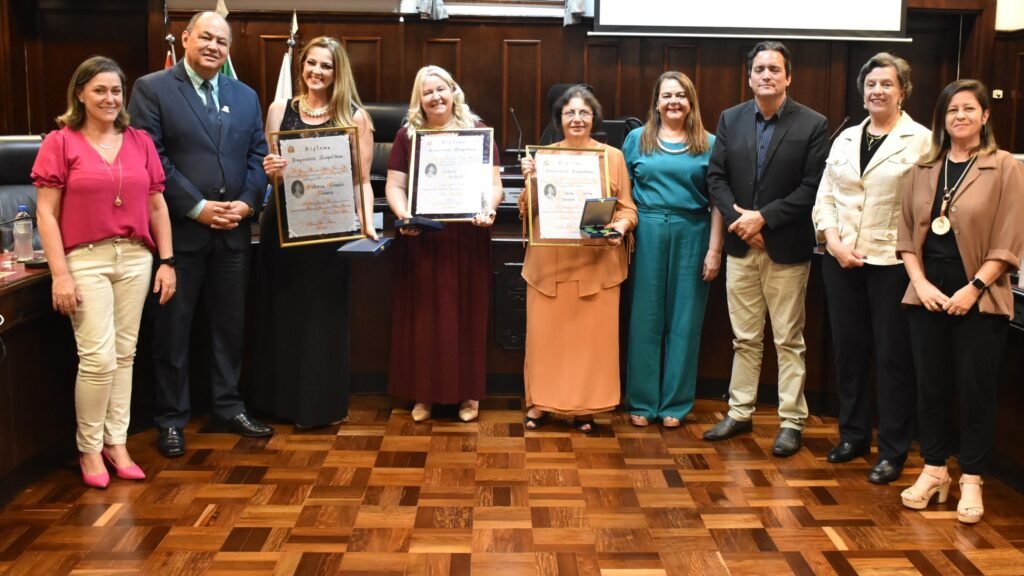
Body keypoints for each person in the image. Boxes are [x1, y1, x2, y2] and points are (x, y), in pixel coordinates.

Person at [129, 11, 273, 458]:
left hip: (234, 233)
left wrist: (247, 203)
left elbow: (258, 156)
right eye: (205, 37)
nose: (213, 46)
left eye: (221, 41)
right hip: (179, 234)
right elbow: (152, 158)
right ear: (186, 38)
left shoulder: (245, 95)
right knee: (173, 331)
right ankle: (171, 419)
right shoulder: (152, 89)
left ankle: (228, 407)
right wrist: (197, 208)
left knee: (229, 327)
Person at [32, 56, 175, 487]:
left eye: (116, 91)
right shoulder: (60, 142)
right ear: (80, 93)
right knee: (97, 358)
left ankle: (117, 442)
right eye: (100, 90)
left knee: (125, 355)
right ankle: (90, 448)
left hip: (135, 258)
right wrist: (60, 274)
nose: (110, 98)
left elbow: (156, 206)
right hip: (85, 259)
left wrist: (167, 262)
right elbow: (46, 214)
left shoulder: (139, 141)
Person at [896, 79, 1024, 524]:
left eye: (969, 109)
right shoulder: (923, 168)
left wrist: (973, 288)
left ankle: (972, 477)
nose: (960, 117)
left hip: (981, 292)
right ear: (942, 118)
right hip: (927, 290)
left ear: (985, 116)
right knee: (930, 386)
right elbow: (905, 235)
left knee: (975, 390)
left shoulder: (1004, 166)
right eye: (952, 110)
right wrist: (921, 283)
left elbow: (1009, 239)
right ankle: (934, 470)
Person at [703, 41, 829, 457]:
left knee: (788, 339)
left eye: (775, 69)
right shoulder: (731, 118)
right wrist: (742, 223)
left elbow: (812, 187)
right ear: (749, 77)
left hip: (786, 248)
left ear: (788, 76)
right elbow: (716, 178)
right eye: (759, 69)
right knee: (744, 338)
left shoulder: (813, 124)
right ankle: (739, 412)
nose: (767, 75)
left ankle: (791, 420)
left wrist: (764, 219)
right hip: (741, 247)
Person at [811, 53, 929, 484]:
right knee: (849, 352)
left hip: (891, 264)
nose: (877, 91)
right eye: (871, 84)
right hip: (841, 260)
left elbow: (924, 207)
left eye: (887, 84)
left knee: (893, 358)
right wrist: (833, 241)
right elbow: (825, 195)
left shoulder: (921, 141)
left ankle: (893, 450)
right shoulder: (845, 138)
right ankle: (853, 435)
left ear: (903, 91)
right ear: (862, 92)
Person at [255, 36, 376, 429]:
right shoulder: (280, 110)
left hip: (330, 232)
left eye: (326, 66)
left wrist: (367, 223)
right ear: (301, 66)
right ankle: (279, 404)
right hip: (283, 228)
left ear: (338, 73)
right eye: (311, 63)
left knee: (322, 319)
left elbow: (361, 181)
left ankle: (319, 407)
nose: (317, 71)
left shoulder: (355, 117)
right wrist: (270, 170)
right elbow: (272, 174)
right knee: (283, 313)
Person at [384, 65, 503, 423]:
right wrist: (405, 216)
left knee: (467, 315)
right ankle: (425, 394)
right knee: (424, 319)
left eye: (441, 89)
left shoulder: (477, 131)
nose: (435, 97)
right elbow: (394, 186)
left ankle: (469, 394)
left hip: (467, 237)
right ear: (418, 99)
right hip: (424, 238)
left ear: (454, 91)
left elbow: (493, 184)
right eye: (427, 92)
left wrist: (489, 208)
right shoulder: (408, 135)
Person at [520, 85, 637, 434]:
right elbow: (527, 210)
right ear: (559, 119)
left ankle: (586, 408)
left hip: (595, 266)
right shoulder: (543, 157)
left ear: (594, 118)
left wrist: (620, 227)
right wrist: (532, 181)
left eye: (584, 112)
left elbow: (628, 209)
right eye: (569, 112)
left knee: (589, 344)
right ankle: (541, 403)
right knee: (546, 340)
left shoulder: (612, 157)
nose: (576, 119)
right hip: (548, 266)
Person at [623, 71, 723, 429]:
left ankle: (675, 404)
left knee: (685, 321)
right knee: (645, 318)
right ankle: (642, 401)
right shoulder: (637, 139)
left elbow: (718, 202)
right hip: (646, 230)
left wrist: (714, 250)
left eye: (680, 95)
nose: (673, 102)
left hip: (692, 231)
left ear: (691, 102)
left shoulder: (710, 143)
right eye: (666, 95)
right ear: (656, 102)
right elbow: (622, 191)